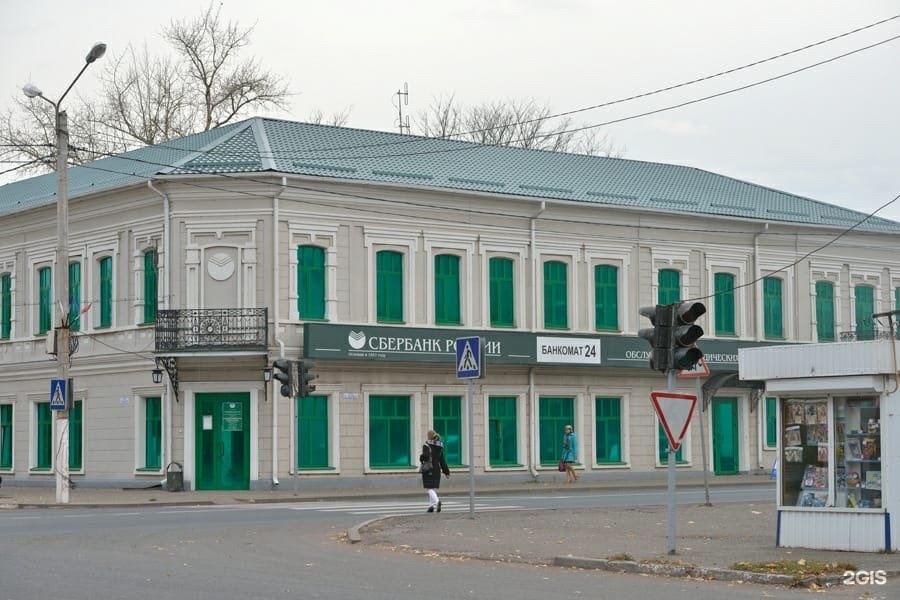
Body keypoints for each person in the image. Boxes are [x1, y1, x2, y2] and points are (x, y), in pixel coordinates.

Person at [420, 430, 450, 512]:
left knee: (429, 488)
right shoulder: (440, 446)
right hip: (437, 469)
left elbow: (425, 456)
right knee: (431, 487)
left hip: (428, 469)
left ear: (429, 436)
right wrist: (446, 472)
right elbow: (442, 460)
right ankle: (431, 507)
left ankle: (437, 502)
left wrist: (421, 457)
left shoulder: (426, 445)